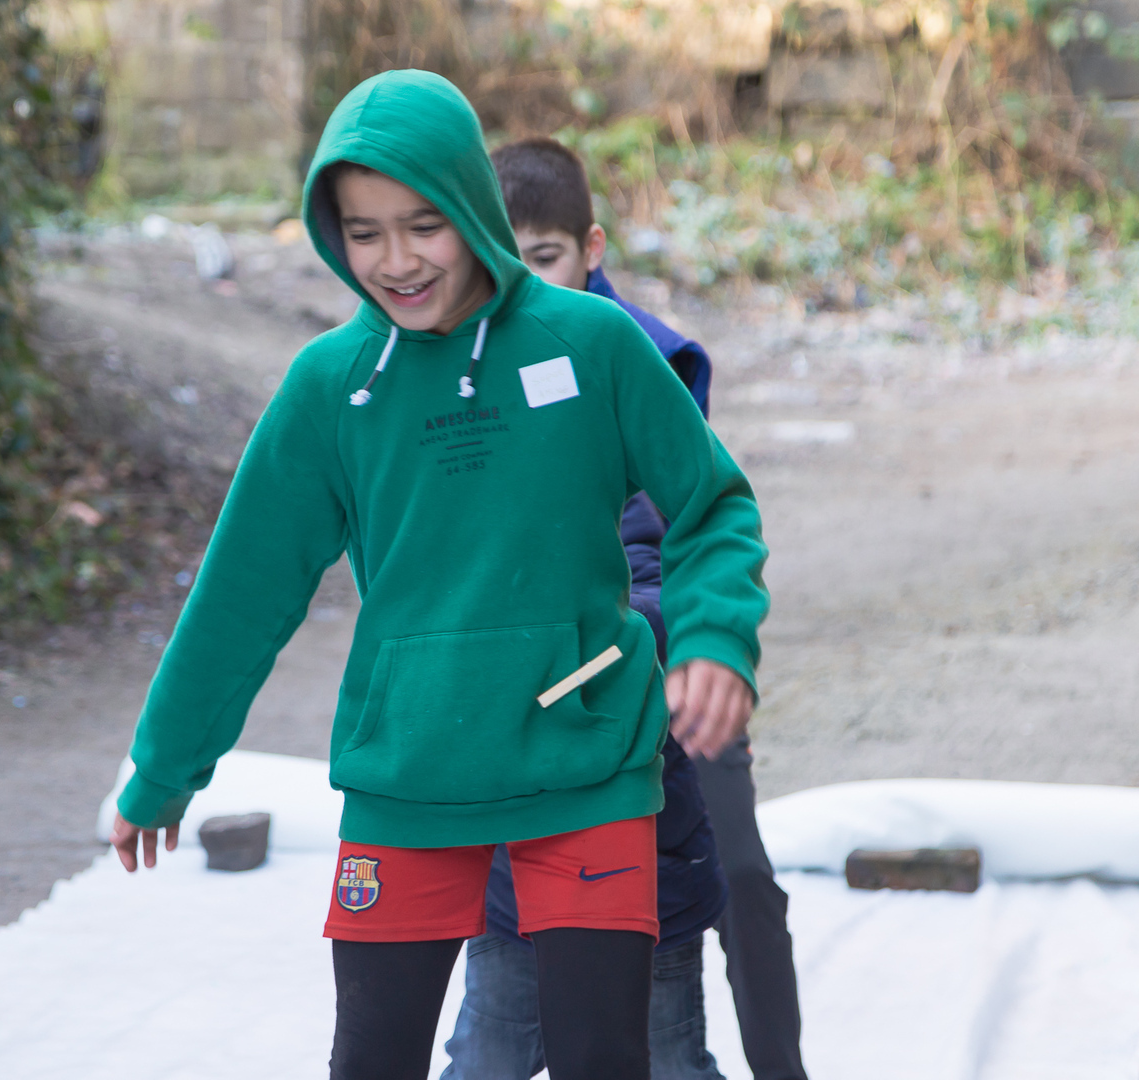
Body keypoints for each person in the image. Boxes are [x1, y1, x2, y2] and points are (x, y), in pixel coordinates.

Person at [107, 70, 769, 1080]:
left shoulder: (593, 344)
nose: (397, 260)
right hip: (409, 773)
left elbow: (713, 505)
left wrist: (715, 638)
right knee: (371, 1061)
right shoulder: (329, 386)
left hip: (587, 761)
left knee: (603, 1059)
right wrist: (165, 768)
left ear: (472, 207)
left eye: (425, 226)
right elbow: (242, 593)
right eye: (364, 233)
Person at [442, 136, 808, 1080]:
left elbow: (685, 531)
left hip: (666, 670)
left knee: (738, 879)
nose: (527, 283)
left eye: (547, 257)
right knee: (509, 937)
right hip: (537, 700)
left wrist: (670, 646)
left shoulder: (640, 357)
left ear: (591, 248)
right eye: (505, 259)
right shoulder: (461, 364)